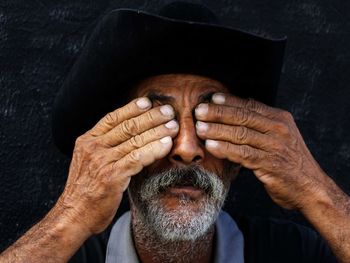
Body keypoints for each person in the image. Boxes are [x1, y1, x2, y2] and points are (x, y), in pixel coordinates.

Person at [0, 2, 349, 263]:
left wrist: (314, 189)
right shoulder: (67, 256)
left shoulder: (294, 253)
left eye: (209, 121)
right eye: (156, 120)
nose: (185, 148)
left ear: (240, 156)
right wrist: (71, 215)